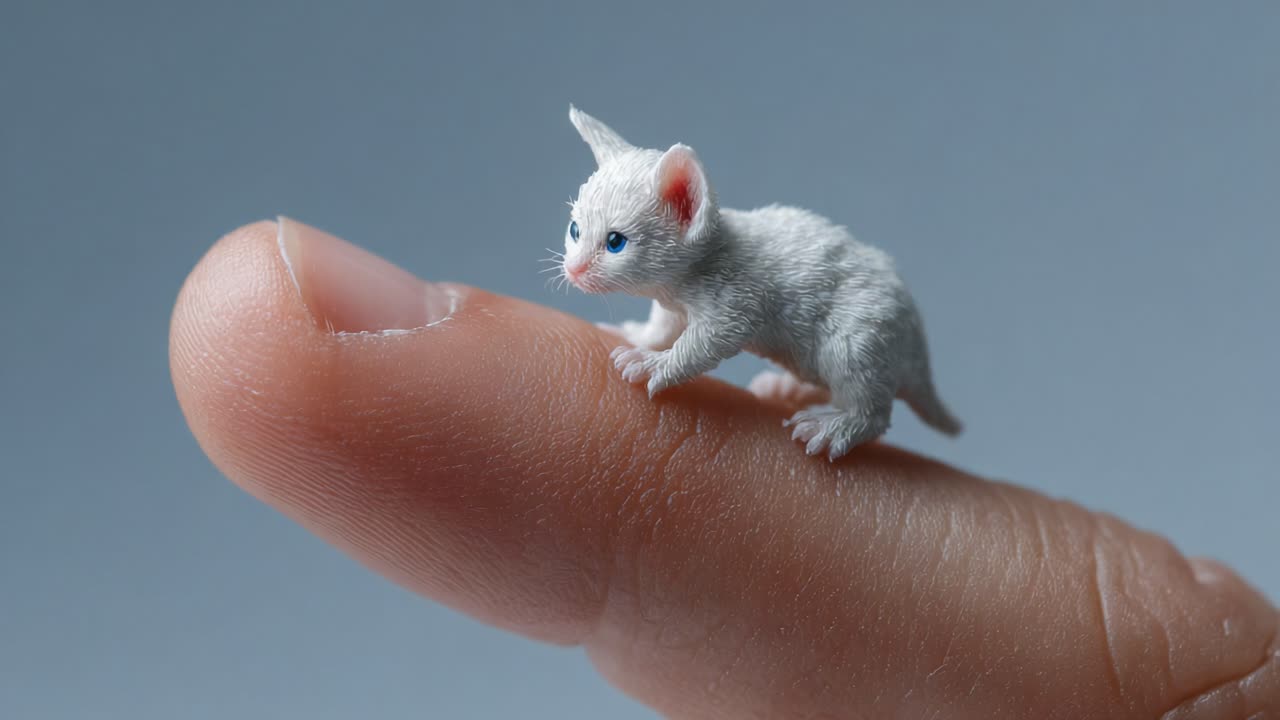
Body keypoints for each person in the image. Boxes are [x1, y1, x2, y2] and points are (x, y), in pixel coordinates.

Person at [170, 218, 1277, 718]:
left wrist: (671, 362)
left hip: (856, 324)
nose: (576, 263)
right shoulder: (682, 257)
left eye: (608, 246)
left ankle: (850, 410)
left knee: (837, 349)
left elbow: (716, 327)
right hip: (784, 316)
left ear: (686, 210)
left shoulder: (731, 265)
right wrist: (656, 335)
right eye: (576, 232)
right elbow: (677, 315)